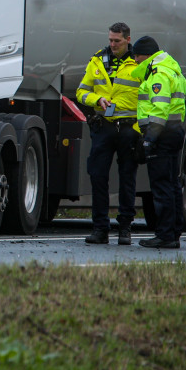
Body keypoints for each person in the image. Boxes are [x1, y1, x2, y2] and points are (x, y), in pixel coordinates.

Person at [75, 22, 141, 245]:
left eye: (117, 41)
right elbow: (81, 92)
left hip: (129, 128)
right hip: (103, 126)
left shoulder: (139, 64)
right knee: (98, 176)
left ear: (128, 40)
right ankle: (100, 228)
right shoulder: (97, 60)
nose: (112, 44)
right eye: (110, 40)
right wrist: (97, 100)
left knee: (127, 179)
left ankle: (125, 228)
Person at [130, 35, 186, 249]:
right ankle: (173, 234)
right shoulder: (172, 69)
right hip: (173, 132)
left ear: (144, 55)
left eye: (136, 56)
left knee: (162, 186)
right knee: (173, 186)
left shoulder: (158, 73)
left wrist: (149, 139)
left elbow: (159, 109)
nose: (135, 60)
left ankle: (165, 235)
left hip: (161, 135)